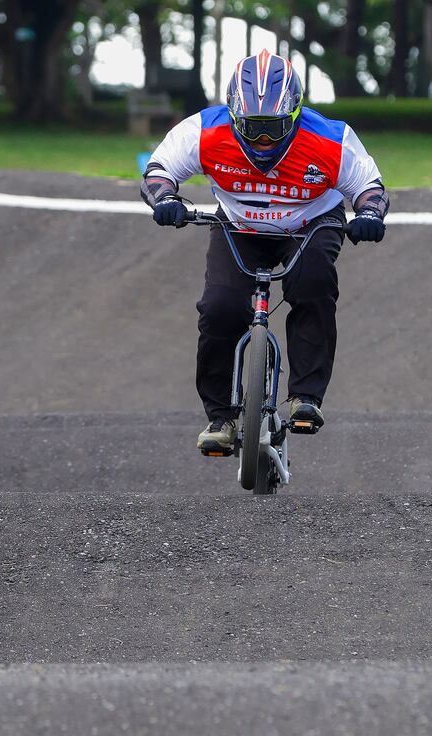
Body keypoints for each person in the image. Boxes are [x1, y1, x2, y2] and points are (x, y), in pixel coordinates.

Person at [140, 50, 389, 456]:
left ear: (294, 117)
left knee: (312, 285)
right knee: (219, 307)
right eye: (252, 129)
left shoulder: (331, 138)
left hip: (310, 223)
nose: (263, 141)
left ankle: (306, 396)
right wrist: (166, 200)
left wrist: (368, 215)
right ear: (234, 118)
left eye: (274, 129)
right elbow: (158, 171)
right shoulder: (203, 131)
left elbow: (371, 189)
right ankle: (220, 417)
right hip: (238, 224)